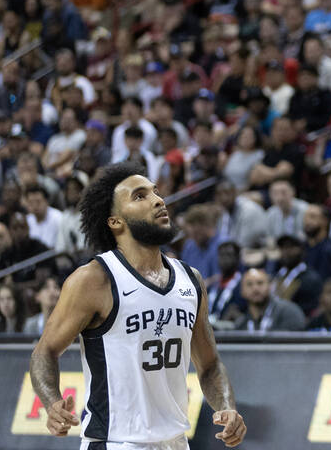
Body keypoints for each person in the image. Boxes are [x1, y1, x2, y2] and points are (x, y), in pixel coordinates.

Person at [28, 162, 247, 447]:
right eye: (140, 196)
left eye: (156, 192)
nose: (158, 200)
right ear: (115, 221)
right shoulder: (94, 280)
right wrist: (52, 401)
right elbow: (45, 351)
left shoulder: (189, 280)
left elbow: (209, 365)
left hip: (175, 442)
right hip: (116, 442)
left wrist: (226, 406)